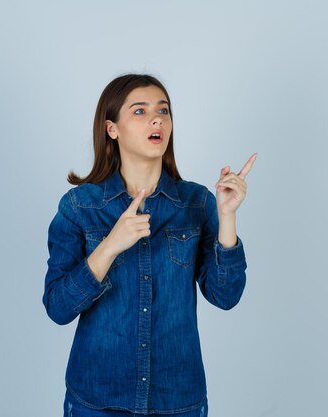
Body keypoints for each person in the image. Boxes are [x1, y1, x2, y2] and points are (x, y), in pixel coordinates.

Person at [42, 73, 257, 417]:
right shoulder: (79, 207)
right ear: (112, 128)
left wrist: (228, 217)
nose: (156, 118)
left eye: (163, 110)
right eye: (139, 111)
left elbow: (226, 296)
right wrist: (110, 245)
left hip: (177, 401)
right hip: (97, 401)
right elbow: (57, 307)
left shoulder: (197, 203)